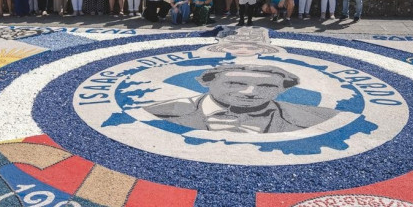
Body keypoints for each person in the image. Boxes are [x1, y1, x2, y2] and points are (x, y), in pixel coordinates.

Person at [143, 64, 339, 133]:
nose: (249, 92)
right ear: (207, 82)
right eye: (235, 83)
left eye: (267, 86)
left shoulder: (317, 119)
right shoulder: (159, 112)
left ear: (281, 89)